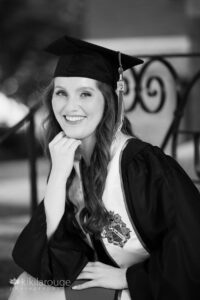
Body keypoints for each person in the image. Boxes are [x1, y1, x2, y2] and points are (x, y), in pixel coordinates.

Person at [11, 35, 200, 300]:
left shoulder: (143, 166)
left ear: (109, 100)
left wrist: (130, 278)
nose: (69, 106)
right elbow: (50, 259)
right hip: (112, 282)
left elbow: (193, 245)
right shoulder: (73, 163)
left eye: (85, 94)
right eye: (61, 93)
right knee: (26, 284)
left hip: (153, 288)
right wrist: (57, 175)